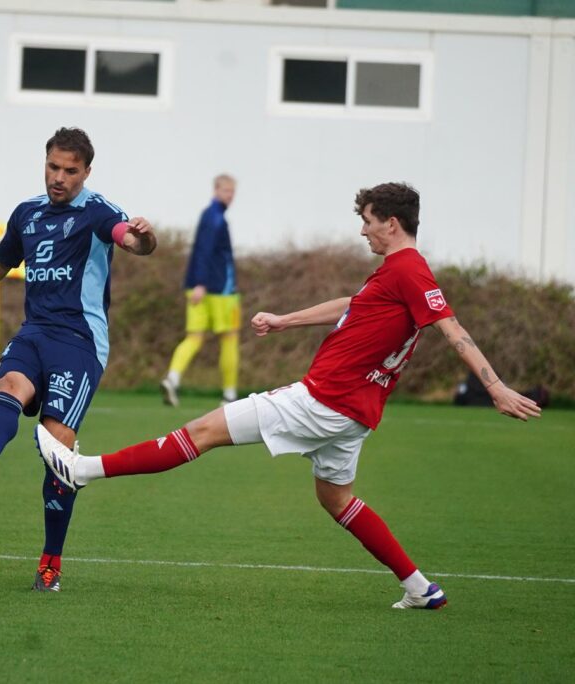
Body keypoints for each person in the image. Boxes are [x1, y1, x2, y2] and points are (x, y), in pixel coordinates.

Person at [36, 182, 541, 609]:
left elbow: (450, 327)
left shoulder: (409, 269)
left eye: (367, 221)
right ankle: (418, 587)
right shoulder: (395, 272)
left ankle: (82, 471)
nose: (362, 229)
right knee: (335, 497)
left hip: (323, 401)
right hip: (355, 413)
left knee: (203, 431)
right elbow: (356, 304)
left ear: (391, 223)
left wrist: (493, 386)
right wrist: (285, 320)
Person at [0, 127, 157, 592]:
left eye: (70, 171)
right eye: (53, 167)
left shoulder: (98, 211)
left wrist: (142, 237)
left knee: (56, 452)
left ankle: (50, 562)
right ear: (44, 162)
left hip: (79, 342)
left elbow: (130, 240)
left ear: (86, 172)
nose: (59, 178)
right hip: (35, 332)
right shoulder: (27, 214)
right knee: (9, 389)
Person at [160, 174, 240, 406]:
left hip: (197, 286)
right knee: (229, 339)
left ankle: (173, 379)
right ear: (216, 190)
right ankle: (230, 394)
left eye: (232, 192)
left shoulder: (209, 215)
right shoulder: (216, 219)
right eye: (226, 191)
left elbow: (199, 251)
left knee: (194, 337)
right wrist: (202, 283)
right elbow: (205, 251)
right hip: (220, 290)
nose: (230, 196)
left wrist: (196, 283)